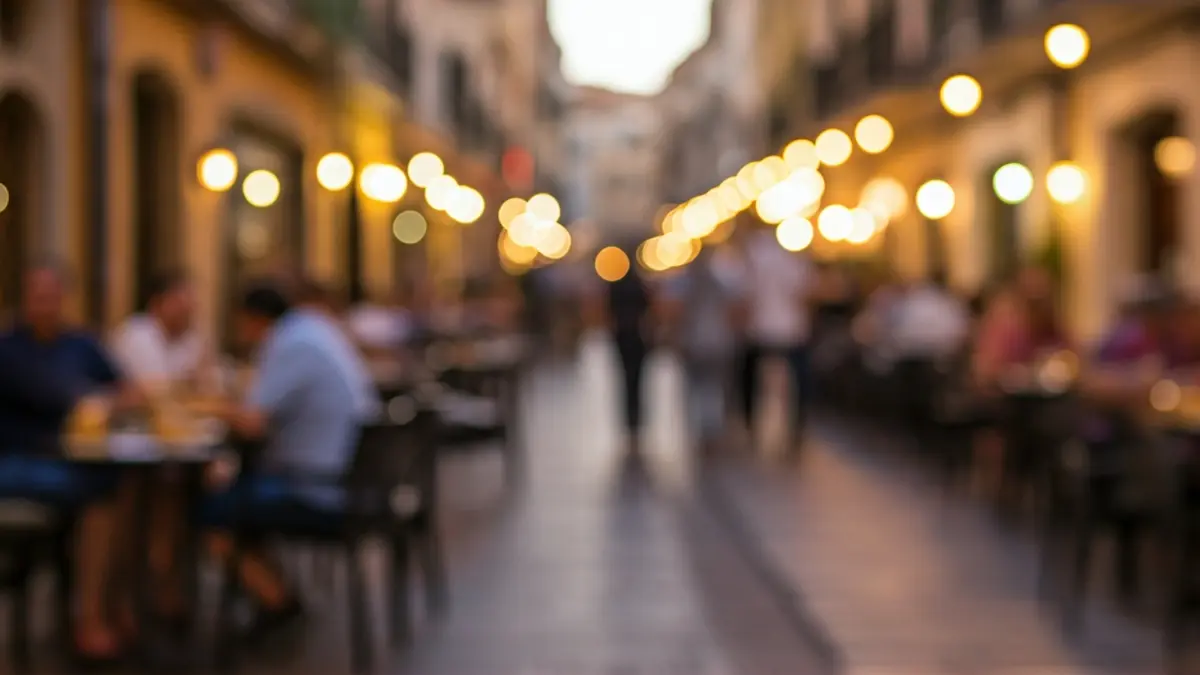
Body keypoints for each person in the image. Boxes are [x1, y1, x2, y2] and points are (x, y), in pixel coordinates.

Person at [204, 283, 370, 636]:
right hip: (344, 476)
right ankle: (274, 594)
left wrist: (207, 406)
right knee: (233, 492)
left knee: (211, 511)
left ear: (253, 320)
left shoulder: (291, 344)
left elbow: (252, 422)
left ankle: (278, 603)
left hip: (318, 486)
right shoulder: (313, 330)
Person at [0, 264, 139, 661]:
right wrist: (100, 401)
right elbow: (58, 395)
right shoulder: (10, 349)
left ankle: (115, 601)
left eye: (51, 295)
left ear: (63, 298)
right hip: (18, 462)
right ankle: (91, 617)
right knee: (103, 490)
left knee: (127, 484)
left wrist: (110, 400)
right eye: (36, 296)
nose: (44, 304)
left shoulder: (80, 343)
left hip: (72, 460)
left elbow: (128, 388)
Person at [739, 229, 816, 450]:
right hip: (790, 329)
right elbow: (805, 294)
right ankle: (796, 427)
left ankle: (751, 423)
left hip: (761, 328)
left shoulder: (754, 259)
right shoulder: (795, 261)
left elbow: (746, 296)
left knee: (751, 379)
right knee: (798, 380)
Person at [110, 270, 210, 393]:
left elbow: (205, 383)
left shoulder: (190, 339)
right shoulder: (135, 333)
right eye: (179, 301)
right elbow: (152, 390)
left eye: (191, 300)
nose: (188, 308)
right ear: (157, 303)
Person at [605, 248, 654, 458]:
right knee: (637, 381)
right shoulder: (638, 285)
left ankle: (630, 421)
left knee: (627, 380)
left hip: (624, 337)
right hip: (635, 337)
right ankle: (635, 421)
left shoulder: (616, 286)